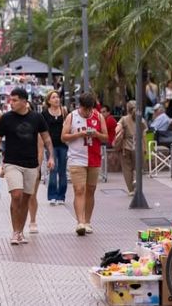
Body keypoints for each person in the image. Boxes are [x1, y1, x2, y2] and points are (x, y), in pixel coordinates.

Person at [0, 87, 55, 245]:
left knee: (26, 199)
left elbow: (46, 138)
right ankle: (15, 232)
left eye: (14, 100)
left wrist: (51, 156)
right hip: (12, 163)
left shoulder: (37, 118)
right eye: (10, 100)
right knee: (16, 195)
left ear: (24, 101)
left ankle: (20, 231)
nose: (11, 103)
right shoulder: (6, 118)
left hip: (31, 164)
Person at [62, 92, 108, 236]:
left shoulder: (99, 116)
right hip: (76, 158)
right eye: (85, 109)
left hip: (94, 158)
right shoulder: (72, 116)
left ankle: (87, 221)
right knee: (79, 189)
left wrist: (96, 134)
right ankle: (80, 222)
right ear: (79, 106)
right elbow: (63, 137)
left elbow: (106, 138)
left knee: (91, 190)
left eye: (90, 109)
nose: (87, 112)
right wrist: (79, 134)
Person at [42, 91, 69, 205]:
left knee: (62, 171)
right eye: (53, 97)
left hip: (63, 145)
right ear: (49, 101)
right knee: (53, 169)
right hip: (50, 145)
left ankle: (61, 196)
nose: (56, 99)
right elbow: (43, 130)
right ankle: (52, 195)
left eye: (57, 97)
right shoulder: (44, 113)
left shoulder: (64, 111)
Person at [113, 100, 139, 195]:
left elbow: (117, 129)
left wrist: (121, 132)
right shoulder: (141, 119)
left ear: (127, 109)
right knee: (137, 167)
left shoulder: (124, 119)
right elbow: (144, 134)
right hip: (137, 146)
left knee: (127, 168)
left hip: (126, 147)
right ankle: (136, 181)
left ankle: (131, 190)